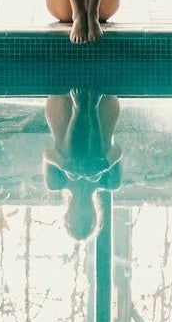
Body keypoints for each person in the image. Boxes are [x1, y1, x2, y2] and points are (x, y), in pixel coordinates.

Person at [43, 90, 123, 242]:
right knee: (95, 173)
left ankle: (79, 110)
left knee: (72, 172)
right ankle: (90, 110)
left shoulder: (56, 183)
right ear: (93, 215)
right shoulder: (110, 183)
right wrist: (104, 165)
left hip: (61, 106)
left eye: (75, 221)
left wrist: (64, 165)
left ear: (67, 215)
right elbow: (118, 149)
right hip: (104, 108)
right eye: (84, 220)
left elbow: (47, 152)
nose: (80, 215)